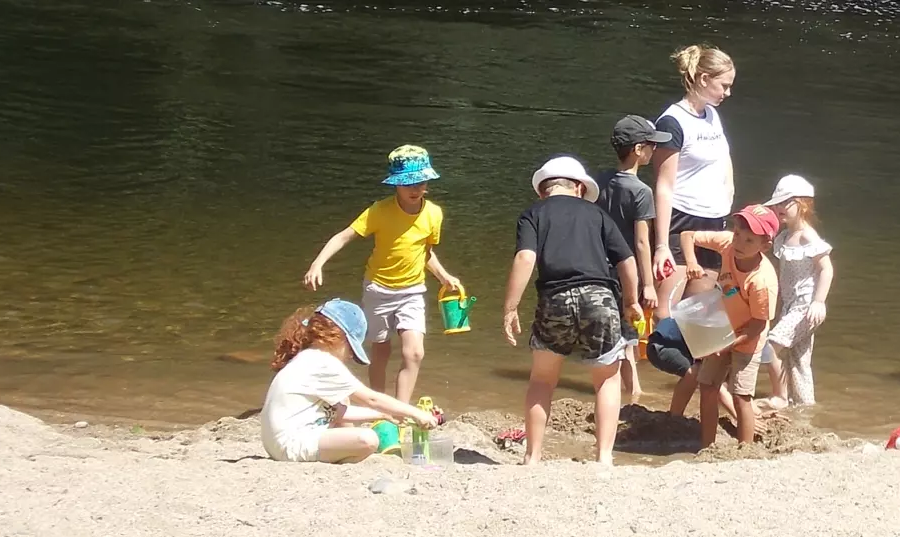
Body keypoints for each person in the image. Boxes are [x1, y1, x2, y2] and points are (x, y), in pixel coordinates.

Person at [501, 155, 642, 466]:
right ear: (579, 188)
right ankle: (603, 458)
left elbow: (525, 259)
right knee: (606, 378)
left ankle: (533, 457)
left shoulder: (532, 214)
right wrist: (631, 301)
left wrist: (510, 308)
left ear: (542, 191)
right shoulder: (598, 215)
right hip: (600, 297)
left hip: (555, 297)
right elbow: (627, 261)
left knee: (542, 380)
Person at [302, 144, 464, 405]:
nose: (415, 189)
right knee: (381, 351)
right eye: (408, 183)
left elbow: (425, 252)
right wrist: (317, 263)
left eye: (420, 182)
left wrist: (443, 276)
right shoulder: (379, 211)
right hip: (378, 290)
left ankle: (399, 411)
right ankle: (380, 407)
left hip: (413, 291)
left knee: (414, 353)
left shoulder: (434, 214)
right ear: (396, 184)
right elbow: (344, 236)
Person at [262, 299, 438, 463]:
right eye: (351, 350)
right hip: (290, 444)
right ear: (339, 338)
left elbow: (337, 412)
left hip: (277, 443)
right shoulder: (324, 362)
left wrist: (384, 415)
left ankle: (342, 449)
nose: (349, 356)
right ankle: (343, 455)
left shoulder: (308, 357)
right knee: (367, 440)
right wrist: (416, 413)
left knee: (343, 398)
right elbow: (372, 399)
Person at [666, 204, 779, 449]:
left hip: (748, 340)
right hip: (724, 329)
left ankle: (745, 448)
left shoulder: (762, 281)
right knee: (707, 387)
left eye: (749, 240)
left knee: (741, 396)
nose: (739, 243)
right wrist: (692, 261)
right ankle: (708, 445)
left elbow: (758, 325)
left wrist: (727, 345)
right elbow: (687, 235)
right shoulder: (728, 244)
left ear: (765, 246)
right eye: (737, 233)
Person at [651, 45, 737, 316]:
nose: (728, 93)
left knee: (700, 313)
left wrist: (728, 195)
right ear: (703, 79)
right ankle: (656, 357)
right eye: (724, 85)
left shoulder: (712, 114)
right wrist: (662, 246)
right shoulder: (672, 122)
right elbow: (663, 186)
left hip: (713, 222)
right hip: (680, 219)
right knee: (666, 310)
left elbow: (724, 156)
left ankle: (691, 360)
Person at [599, 114, 673, 402]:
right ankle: (630, 391)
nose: (655, 150)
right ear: (638, 150)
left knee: (616, 327)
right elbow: (642, 242)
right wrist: (648, 285)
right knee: (628, 331)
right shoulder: (641, 192)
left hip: (600, 266)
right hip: (627, 270)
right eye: (652, 145)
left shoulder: (599, 180)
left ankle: (632, 387)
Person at [761, 174, 835, 408]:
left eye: (786, 203)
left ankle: (779, 397)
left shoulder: (807, 235)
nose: (779, 208)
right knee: (798, 360)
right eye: (777, 204)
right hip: (790, 307)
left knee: (769, 346)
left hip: (806, 308)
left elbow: (826, 269)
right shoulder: (783, 236)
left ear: (802, 205)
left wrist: (819, 302)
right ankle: (803, 406)